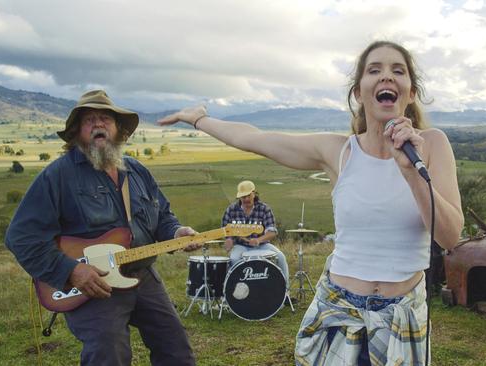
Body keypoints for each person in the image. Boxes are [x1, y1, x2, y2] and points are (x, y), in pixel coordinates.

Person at [159, 40, 463, 365]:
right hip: (338, 311)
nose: (386, 77)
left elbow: (450, 236)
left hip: (402, 317)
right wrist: (198, 119)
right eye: (374, 70)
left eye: (397, 71)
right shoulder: (338, 151)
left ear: (410, 91)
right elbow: (255, 139)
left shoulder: (431, 146)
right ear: (359, 92)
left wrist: (411, 174)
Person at [5, 90, 198, 366]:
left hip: (142, 276)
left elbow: (162, 216)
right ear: (77, 132)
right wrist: (70, 271)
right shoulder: (59, 175)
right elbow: (20, 237)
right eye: (89, 120)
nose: (98, 124)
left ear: (119, 129)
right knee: (109, 355)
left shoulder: (137, 171)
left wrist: (177, 233)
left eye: (105, 118)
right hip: (94, 285)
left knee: (176, 350)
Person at [221, 180, 290, 286]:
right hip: (240, 245)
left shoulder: (264, 209)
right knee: (234, 259)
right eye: (243, 197)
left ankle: (285, 292)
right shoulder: (231, 210)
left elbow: (272, 232)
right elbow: (225, 230)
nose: (246, 199)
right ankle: (236, 292)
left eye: (249, 196)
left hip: (262, 245)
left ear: (254, 193)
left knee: (280, 257)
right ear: (239, 197)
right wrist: (229, 240)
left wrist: (259, 240)